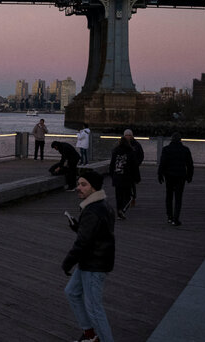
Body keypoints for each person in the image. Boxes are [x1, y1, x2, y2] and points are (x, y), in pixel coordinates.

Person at [62, 169, 116, 342]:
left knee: (94, 307)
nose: (79, 188)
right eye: (78, 184)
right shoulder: (101, 205)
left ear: (94, 187)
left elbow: (83, 242)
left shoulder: (93, 210)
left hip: (94, 264)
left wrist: (68, 262)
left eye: (83, 185)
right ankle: (90, 334)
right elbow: (96, 234)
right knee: (72, 292)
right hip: (92, 260)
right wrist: (78, 227)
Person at [157, 133, 194, 226]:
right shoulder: (185, 150)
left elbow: (162, 163)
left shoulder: (166, 149)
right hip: (180, 176)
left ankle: (169, 216)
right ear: (180, 140)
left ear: (171, 140)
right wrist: (190, 176)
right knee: (178, 197)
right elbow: (190, 165)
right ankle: (176, 218)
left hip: (169, 175)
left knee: (169, 196)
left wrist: (160, 174)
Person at [110, 130, 142, 220]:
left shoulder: (115, 151)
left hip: (117, 177)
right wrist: (137, 178)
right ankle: (123, 210)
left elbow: (112, 164)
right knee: (128, 196)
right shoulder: (130, 152)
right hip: (127, 177)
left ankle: (119, 211)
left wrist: (112, 175)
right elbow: (134, 166)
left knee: (118, 196)